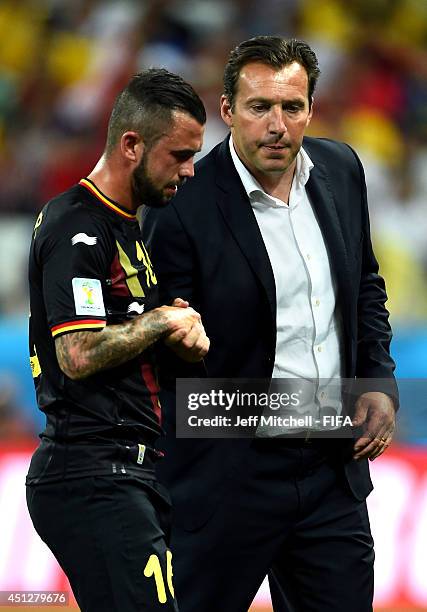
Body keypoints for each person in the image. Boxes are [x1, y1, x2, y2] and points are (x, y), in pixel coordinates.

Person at [142, 37, 399, 612]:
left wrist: (377, 380)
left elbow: (364, 285)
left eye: (292, 107)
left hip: (333, 474)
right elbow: (170, 366)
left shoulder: (340, 169)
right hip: (227, 480)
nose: (277, 125)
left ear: (311, 107)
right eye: (260, 107)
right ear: (228, 110)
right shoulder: (181, 206)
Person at [26, 68, 208, 612]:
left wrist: (176, 335)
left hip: (126, 472)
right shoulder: (77, 226)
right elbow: (77, 353)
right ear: (132, 144)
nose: (190, 170)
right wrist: (159, 323)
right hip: (93, 473)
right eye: (179, 155)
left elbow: (123, 338)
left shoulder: (128, 227)